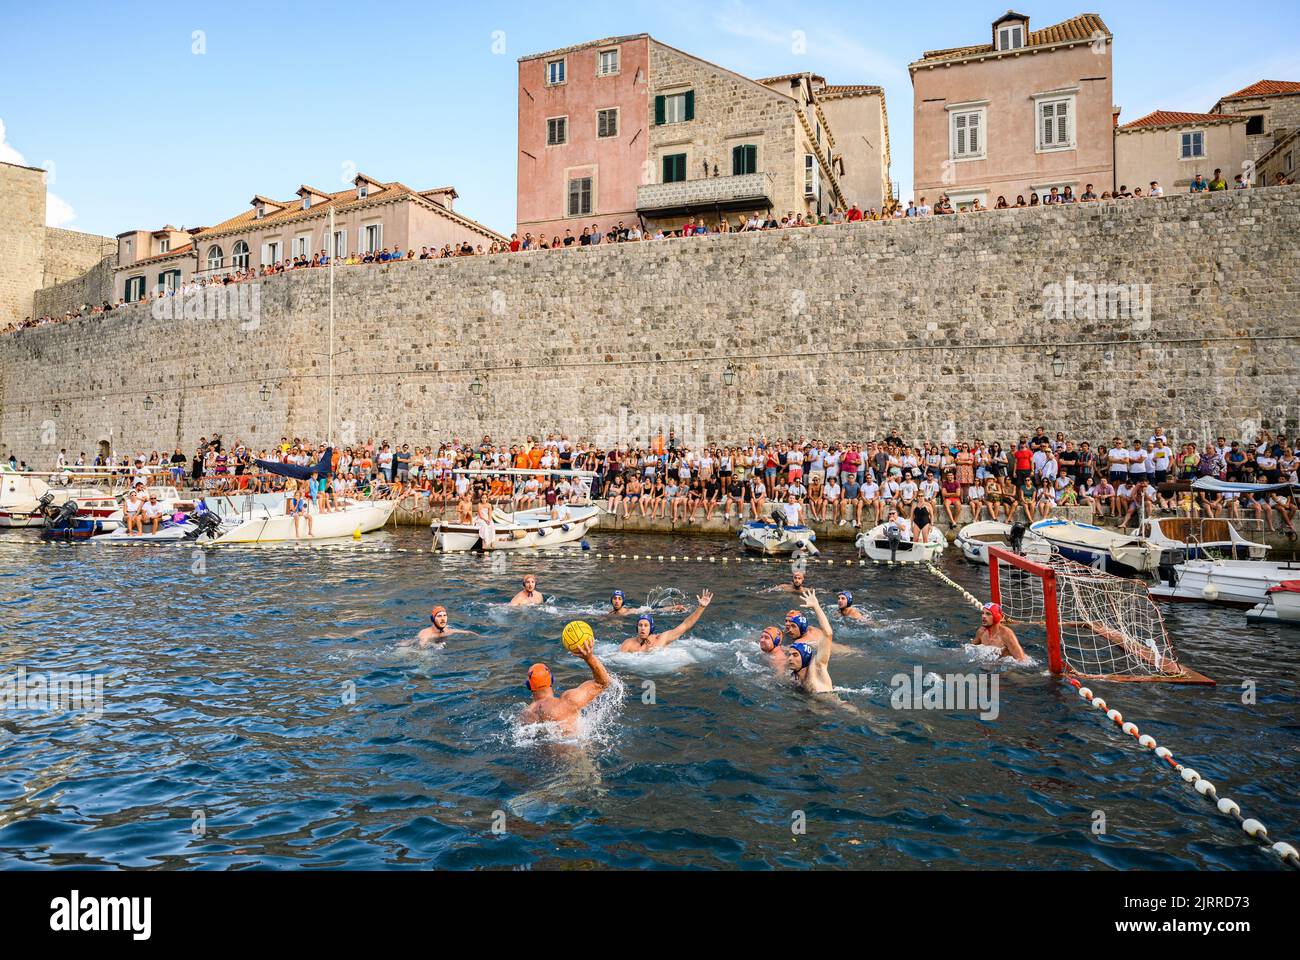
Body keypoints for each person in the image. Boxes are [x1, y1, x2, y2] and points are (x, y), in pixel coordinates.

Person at [519, 634, 612, 736]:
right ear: (551, 679)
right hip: (572, 749)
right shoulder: (567, 702)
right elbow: (603, 683)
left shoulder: (525, 714)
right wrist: (589, 658)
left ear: (528, 685)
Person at [618, 591, 713, 652]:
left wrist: (701, 607)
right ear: (637, 627)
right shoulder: (628, 644)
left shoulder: (661, 639)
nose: (642, 628)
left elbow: (685, 625)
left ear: (651, 628)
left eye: (646, 625)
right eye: (640, 625)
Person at [785, 589, 834, 693]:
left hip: (830, 706)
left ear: (804, 657)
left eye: (795, 655)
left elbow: (828, 633)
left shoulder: (817, 667)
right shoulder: (795, 677)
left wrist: (816, 607)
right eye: (790, 655)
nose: (789, 658)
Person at [402, 605, 473, 648]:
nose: (443, 619)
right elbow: (421, 647)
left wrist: (481, 637)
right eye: (439, 616)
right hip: (409, 649)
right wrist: (434, 646)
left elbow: (467, 632)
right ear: (433, 619)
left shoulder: (448, 631)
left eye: (444, 615)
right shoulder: (426, 633)